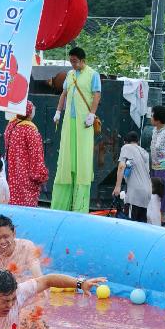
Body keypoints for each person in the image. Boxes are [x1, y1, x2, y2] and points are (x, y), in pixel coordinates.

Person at [51, 47, 101, 213]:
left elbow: (96, 95)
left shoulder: (93, 74)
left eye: (75, 61)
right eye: (71, 61)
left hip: (83, 121)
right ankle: (61, 205)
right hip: (68, 121)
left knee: (82, 161)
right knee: (66, 159)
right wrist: (58, 111)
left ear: (82, 60)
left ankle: (80, 207)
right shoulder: (70, 75)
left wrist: (92, 114)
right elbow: (64, 93)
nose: (72, 64)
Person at [4, 100, 49, 207]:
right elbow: (36, 157)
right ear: (30, 113)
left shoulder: (10, 126)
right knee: (26, 209)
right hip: (27, 181)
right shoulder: (30, 130)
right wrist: (42, 176)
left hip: (11, 177)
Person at [113, 131, 151, 222]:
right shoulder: (144, 152)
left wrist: (117, 187)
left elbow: (121, 166)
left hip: (135, 193)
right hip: (147, 191)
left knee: (130, 223)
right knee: (141, 223)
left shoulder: (126, 147)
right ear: (137, 142)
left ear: (125, 142)